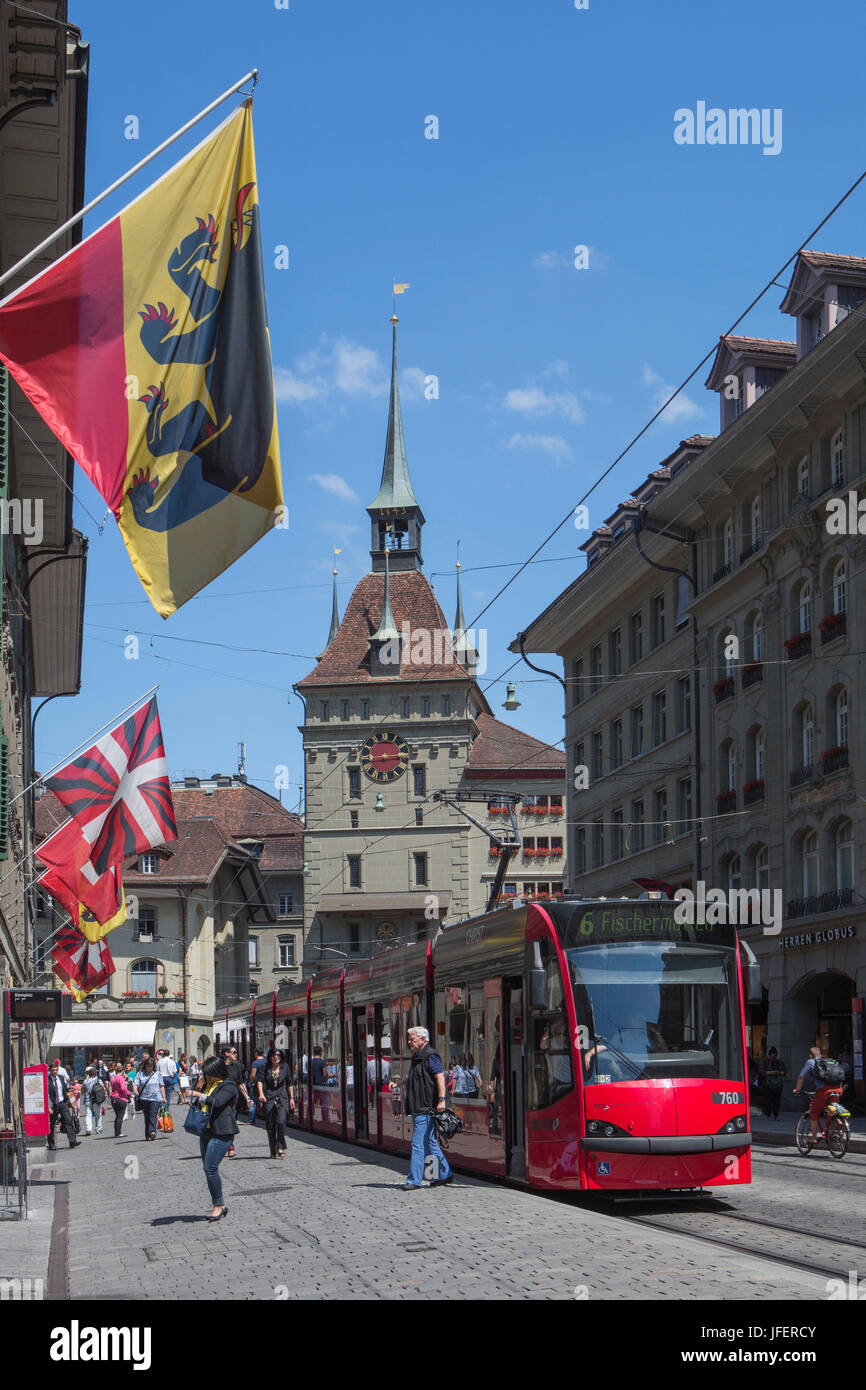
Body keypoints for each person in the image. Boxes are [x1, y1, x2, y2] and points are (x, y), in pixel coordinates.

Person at [391, 1026, 453, 1190]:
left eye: (412, 1039)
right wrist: (398, 1083)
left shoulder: (430, 1056)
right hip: (419, 1106)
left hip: (426, 1107)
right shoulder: (418, 1057)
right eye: (409, 1039)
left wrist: (441, 1100)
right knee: (431, 1142)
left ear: (423, 1039)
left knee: (418, 1145)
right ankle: (444, 1174)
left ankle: (414, 1180)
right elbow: (412, 1077)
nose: (410, 1042)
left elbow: (440, 1077)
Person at [191, 1056, 239, 1221]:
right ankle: (220, 1204)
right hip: (207, 1131)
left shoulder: (228, 1085)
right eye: (206, 1074)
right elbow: (202, 1104)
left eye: (209, 1073)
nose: (207, 1077)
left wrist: (199, 1094)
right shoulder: (207, 1085)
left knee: (210, 1168)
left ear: (218, 1071)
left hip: (223, 1132)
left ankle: (218, 1205)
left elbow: (217, 1102)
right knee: (207, 1168)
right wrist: (196, 1093)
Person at [793, 1045, 844, 1145]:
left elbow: (801, 1077)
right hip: (838, 1088)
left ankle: (813, 1138)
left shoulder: (810, 1062)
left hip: (824, 1090)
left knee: (814, 1111)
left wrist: (797, 1089)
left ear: (810, 1055)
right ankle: (838, 1125)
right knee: (831, 1109)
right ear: (820, 1055)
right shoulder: (831, 1061)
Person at [257, 1047, 295, 1158]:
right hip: (269, 1097)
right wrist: (261, 1094)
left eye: (278, 1055)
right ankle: (273, 1151)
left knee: (281, 1121)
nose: (276, 1057)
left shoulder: (285, 1067)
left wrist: (292, 1098)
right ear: (270, 1057)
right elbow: (260, 1081)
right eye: (274, 1055)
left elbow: (290, 1083)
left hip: (282, 1097)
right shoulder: (265, 1067)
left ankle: (280, 1146)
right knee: (270, 1124)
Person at [220, 1045, 249, 1158]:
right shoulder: (218, 1066)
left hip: (233, 1100)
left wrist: (247, 1098)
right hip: (220, 1099)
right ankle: (225, 1147)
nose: (236, 1054)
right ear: (227, 1053)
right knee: (222, 1124)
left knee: (231, 1123)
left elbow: (240, 1083)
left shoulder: (236, 1066)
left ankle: (230, 1147)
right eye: (234, 1052)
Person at [47, 1062, 80, 1150]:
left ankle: (72, 1141)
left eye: (56, 1070)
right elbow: (46, 1095)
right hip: (53, 1105)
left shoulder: (61, 1078)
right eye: (53, 1070)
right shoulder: (47, 1080)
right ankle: (51, 1144)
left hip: (63, 1103)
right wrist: (48, 1107)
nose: (55, 1072)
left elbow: (65, 1090)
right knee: (52, 1125)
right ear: (50, 1070)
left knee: (68, 1121)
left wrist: (72, 1102)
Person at [134, 1056, 166, 1140]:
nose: (149, 1068)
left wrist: (164, 1097)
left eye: (151, 1066)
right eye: (148, 1066)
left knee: (153, 1115)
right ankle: (147, 1134)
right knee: (147, 1117)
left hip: (155, 1098)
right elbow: (135, 1084)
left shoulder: (157, 1074)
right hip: (144, 1098)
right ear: (145, 1066)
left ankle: (152, 1131)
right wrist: (135, 1091)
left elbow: (162, 1086)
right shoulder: (140, 1073)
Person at [760, 1047, 787, 1120]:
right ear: (769, 1055)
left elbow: (785, 1071)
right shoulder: (765, 1062)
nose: (773, 1058)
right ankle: (768, 1114)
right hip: (767, 1084)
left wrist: (779, 1073)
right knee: (767, 1100)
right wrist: (770, 1072)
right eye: (772, 1056)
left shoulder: (779, 1062)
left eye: (775, 1056)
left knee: (776, 1100)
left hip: (777, 1084)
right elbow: (761, 1072)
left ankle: (776, 1114)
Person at [82, 1066, 105, 1136]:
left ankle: (88, 1129)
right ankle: (98, 1129)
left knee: (88, 1115)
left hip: (88, 1100)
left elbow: (83, 1091)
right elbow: (102, 1088)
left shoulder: (85, 1081)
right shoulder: (98, 1080)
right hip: (96, 1100)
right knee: (98, 1115)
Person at [109, 1065, 131, 1138]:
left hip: (113, 1098)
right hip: (121, 1098)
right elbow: (123, 1088)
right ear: (122, 1071)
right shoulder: (121, 1078)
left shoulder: (112, 1078)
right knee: (120, 1116)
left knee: (117, 1115)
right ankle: (118, 1133)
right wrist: (129, 1094)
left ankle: (117, 1131)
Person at [247, 1048, 266, 1122]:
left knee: (252, 1102)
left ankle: (252, 1119)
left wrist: (250, 1083)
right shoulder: (266, 1061)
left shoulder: (255, 1063)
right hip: (265, 1084)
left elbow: (252, 1075)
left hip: (256, 1084)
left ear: (256, 1053)